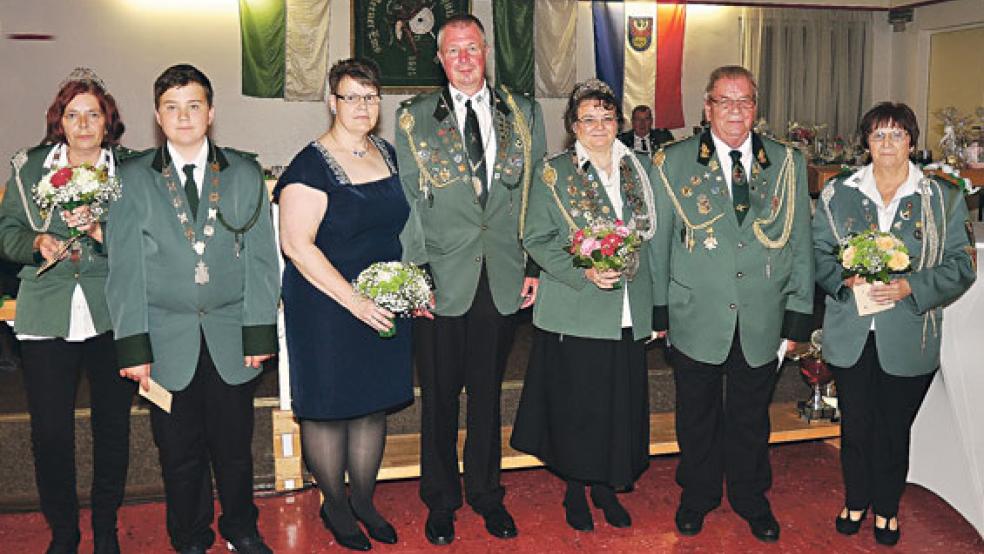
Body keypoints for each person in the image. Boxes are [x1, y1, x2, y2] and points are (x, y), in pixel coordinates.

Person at [105, 64, 279, 554]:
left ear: (211, 112)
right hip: (163, 342)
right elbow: (124, 271)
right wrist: (133, 347)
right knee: (179, 453)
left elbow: (264, 262)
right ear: (158, 117)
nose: (184, 117)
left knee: (235, 451)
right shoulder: (133, 179)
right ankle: (189, 536)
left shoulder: (244, 173)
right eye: (172, 108)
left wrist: (259, 334)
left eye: (194, 105)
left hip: (230, 336)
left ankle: (242, 528)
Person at [395, 13, 546, 546]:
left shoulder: (521, 113)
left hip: (502, 274)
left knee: (487, 395)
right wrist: (418, 276)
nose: (463, 59)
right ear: (439, 58)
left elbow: (534, 192)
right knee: (439, 397)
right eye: (452, 51)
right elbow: (410, 202)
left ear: (486, 53)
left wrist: (533, 264)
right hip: (442, 276)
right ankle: (441, 500)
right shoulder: (415, 118)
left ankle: (486, 494)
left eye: (472, 49)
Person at [650, 65, 814, 542]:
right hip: (695, 312)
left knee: (750, 415)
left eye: (745, 101)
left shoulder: (786, 162)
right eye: (725, 101)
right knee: (695, 413)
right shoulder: (672, 162)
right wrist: (660, 312)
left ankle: (749, 496)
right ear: (708, 108)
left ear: (756, 109)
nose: (736, 111)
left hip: (762, 314)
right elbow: (659, 244)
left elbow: (799, 242)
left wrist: (798, 317)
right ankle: (697, 495)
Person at [813, 102, 975, 546]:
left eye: (897, 134)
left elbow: (962, 266)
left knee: (892, 428)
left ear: (912, 141)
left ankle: (886, 505)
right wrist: (842, 277)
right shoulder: (838, 192)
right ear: (866, 142)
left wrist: (912, 287)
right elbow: (818, 253)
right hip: (852, 333)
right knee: (856, 425)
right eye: (879, 135)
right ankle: (855, 499)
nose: (887, 143)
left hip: (908, 333)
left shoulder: (942, 198)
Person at [275, 58, 419, 551]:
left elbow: (404, 228)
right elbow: (297, 244)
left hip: (383, 300)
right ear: (331, 102)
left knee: (371, 405)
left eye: (371, 97)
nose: (362, 106)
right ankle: (334, 504)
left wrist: (410, 286)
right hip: (327, 305)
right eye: (351, 96)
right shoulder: (309, 165)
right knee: (329, 410)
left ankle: (363, 500)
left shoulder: (387, 152)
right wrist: (353, 300)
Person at [510, 79, 658, 532]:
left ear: (619, 122)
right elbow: (535, 236)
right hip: (577, 304)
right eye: (588, 119)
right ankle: (576, 487)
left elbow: (657, 239)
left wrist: (661, 307)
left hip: (629, 305)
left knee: (619, 402)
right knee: (578, 405)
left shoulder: (642, 169)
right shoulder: (554, 172)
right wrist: (583, 271)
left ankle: (607, 486)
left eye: (607, 117)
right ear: (573, 127)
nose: (599, 126)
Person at [0, 68, 135, 554]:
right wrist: (35, 242)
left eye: (92, 115)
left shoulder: (131, 170)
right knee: (51, 433)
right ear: (59, 121)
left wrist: (104, 234)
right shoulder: (29, 167)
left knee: (112, 429)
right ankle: (64, 531)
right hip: (46, 311)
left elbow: (149, 240)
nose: (83, 125)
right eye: (73, 115)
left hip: (112, 309)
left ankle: (104, 527)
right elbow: (6, 231)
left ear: (108, 121)